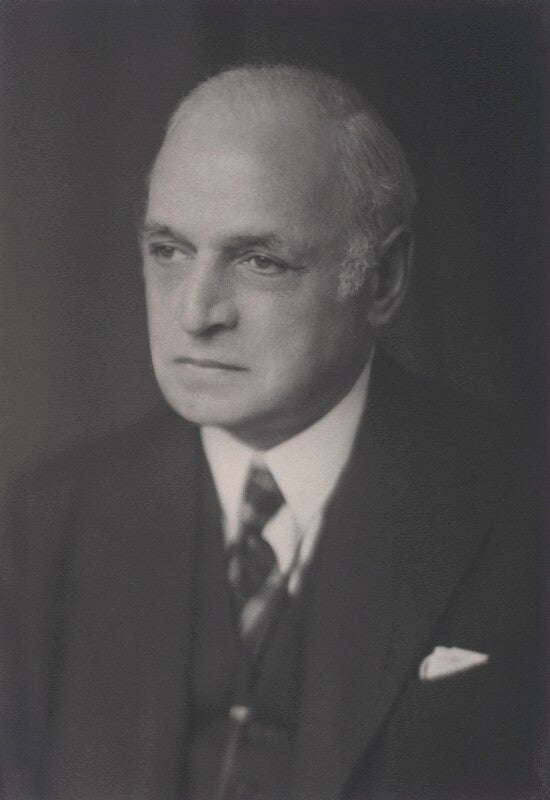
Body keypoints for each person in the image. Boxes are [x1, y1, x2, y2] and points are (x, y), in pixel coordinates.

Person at [2, 64, 545, 800]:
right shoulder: (49, 524)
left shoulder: (523, 508)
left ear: (383, 279)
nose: (196, 313)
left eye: (260, 261)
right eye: (169, 251)